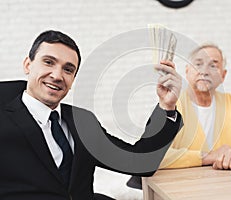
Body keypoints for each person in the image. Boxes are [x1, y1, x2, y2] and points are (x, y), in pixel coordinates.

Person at [0, 30, 183, 200]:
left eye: (68, 69)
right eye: (48, 62)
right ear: (27, 65)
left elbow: (139, 162)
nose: (57, 75)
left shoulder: (83, 122)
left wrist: (166, 106)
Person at [159, 44, 231, 170]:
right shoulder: (170, 105)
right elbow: (155, 154)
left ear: (223, 75)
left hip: (222, 184)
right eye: (198, 64)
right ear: (187, 71)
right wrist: (209, 157)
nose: (204, 71)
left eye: (213, 65)